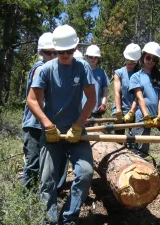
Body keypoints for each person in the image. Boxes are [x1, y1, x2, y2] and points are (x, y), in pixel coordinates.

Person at [27, 24, 96, 225]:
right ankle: (49, 220)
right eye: (61, 52)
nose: (65, 55)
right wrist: (47, 124)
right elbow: (32, 100)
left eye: (69, 51)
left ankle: (69, 217)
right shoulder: (45, 70)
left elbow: (91, 98)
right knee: (48, 180)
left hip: (76, 130)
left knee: (85, 173)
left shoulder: (82, 67)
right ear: (55, 50)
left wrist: (78, 125)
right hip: (51, 133)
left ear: (75, 49)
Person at [21, 32, 58, 190]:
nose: (53, 56)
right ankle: (25, 201)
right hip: (34, 125)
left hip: (44, 124)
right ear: (41, 53)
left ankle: (38, 197)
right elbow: (36, 101)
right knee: (33, 164)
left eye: (55, 52)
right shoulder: (40, 69)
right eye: (49, 53)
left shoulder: (51, 69)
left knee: (45, 164)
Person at [129, 42, 160, 156]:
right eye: (148, 57)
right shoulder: (136, 77)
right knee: (141, 149)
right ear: (143, 56)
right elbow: (140, 98)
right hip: (143, 115)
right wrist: (146, 115)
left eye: (154, 59)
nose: (151, 60)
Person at [111, 43, 141, 134]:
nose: (130, 64)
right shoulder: (119, 73)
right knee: (118, 140)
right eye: (128, 60)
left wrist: (132, 111)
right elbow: (117, 92)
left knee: (136, 140)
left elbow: (138, 95)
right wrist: (119, 111)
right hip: (120, 109)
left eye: (133, 62)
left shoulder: (140, 74)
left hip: (135, 111)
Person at [82, 45, 109, 120]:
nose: (93, 59)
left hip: (96, 112)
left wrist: (103, 104)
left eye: (95, 57)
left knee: (97, 131)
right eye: (91, 57)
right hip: (81, 111)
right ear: (87, 57)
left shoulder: (102, 72)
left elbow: (105, 90)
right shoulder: (81, 71)